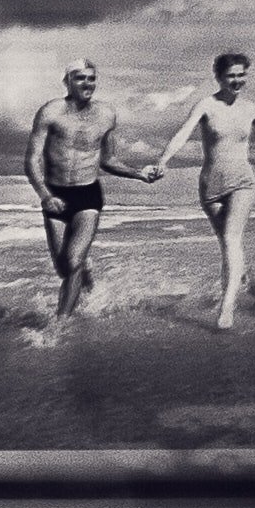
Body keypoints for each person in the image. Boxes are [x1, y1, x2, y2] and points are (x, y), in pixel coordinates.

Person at [155, 49, 255, 331]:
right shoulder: (206, 105)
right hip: (211, 186)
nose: (237, 80)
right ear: (218, 77)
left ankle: (226, 308)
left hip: (243, 181)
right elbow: (183, 133)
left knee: (231, 238)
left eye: (242, 75)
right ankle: (247, 276)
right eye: (231, 76)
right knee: (229, 245)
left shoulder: (250, 108)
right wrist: (163, 160)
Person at [20, 57, 156, 332]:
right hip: (55, 195)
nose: (87, 84)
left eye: (92, 78)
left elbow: (109, 160)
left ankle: (58, 327)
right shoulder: (50, 112)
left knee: (72, 261)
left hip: (88, 195)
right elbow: (32, 159)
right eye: (80, 78)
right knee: (63, 268)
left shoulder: (106, 114)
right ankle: (86, 274)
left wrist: (139, 174)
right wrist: (44, 195)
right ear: (67, 81)